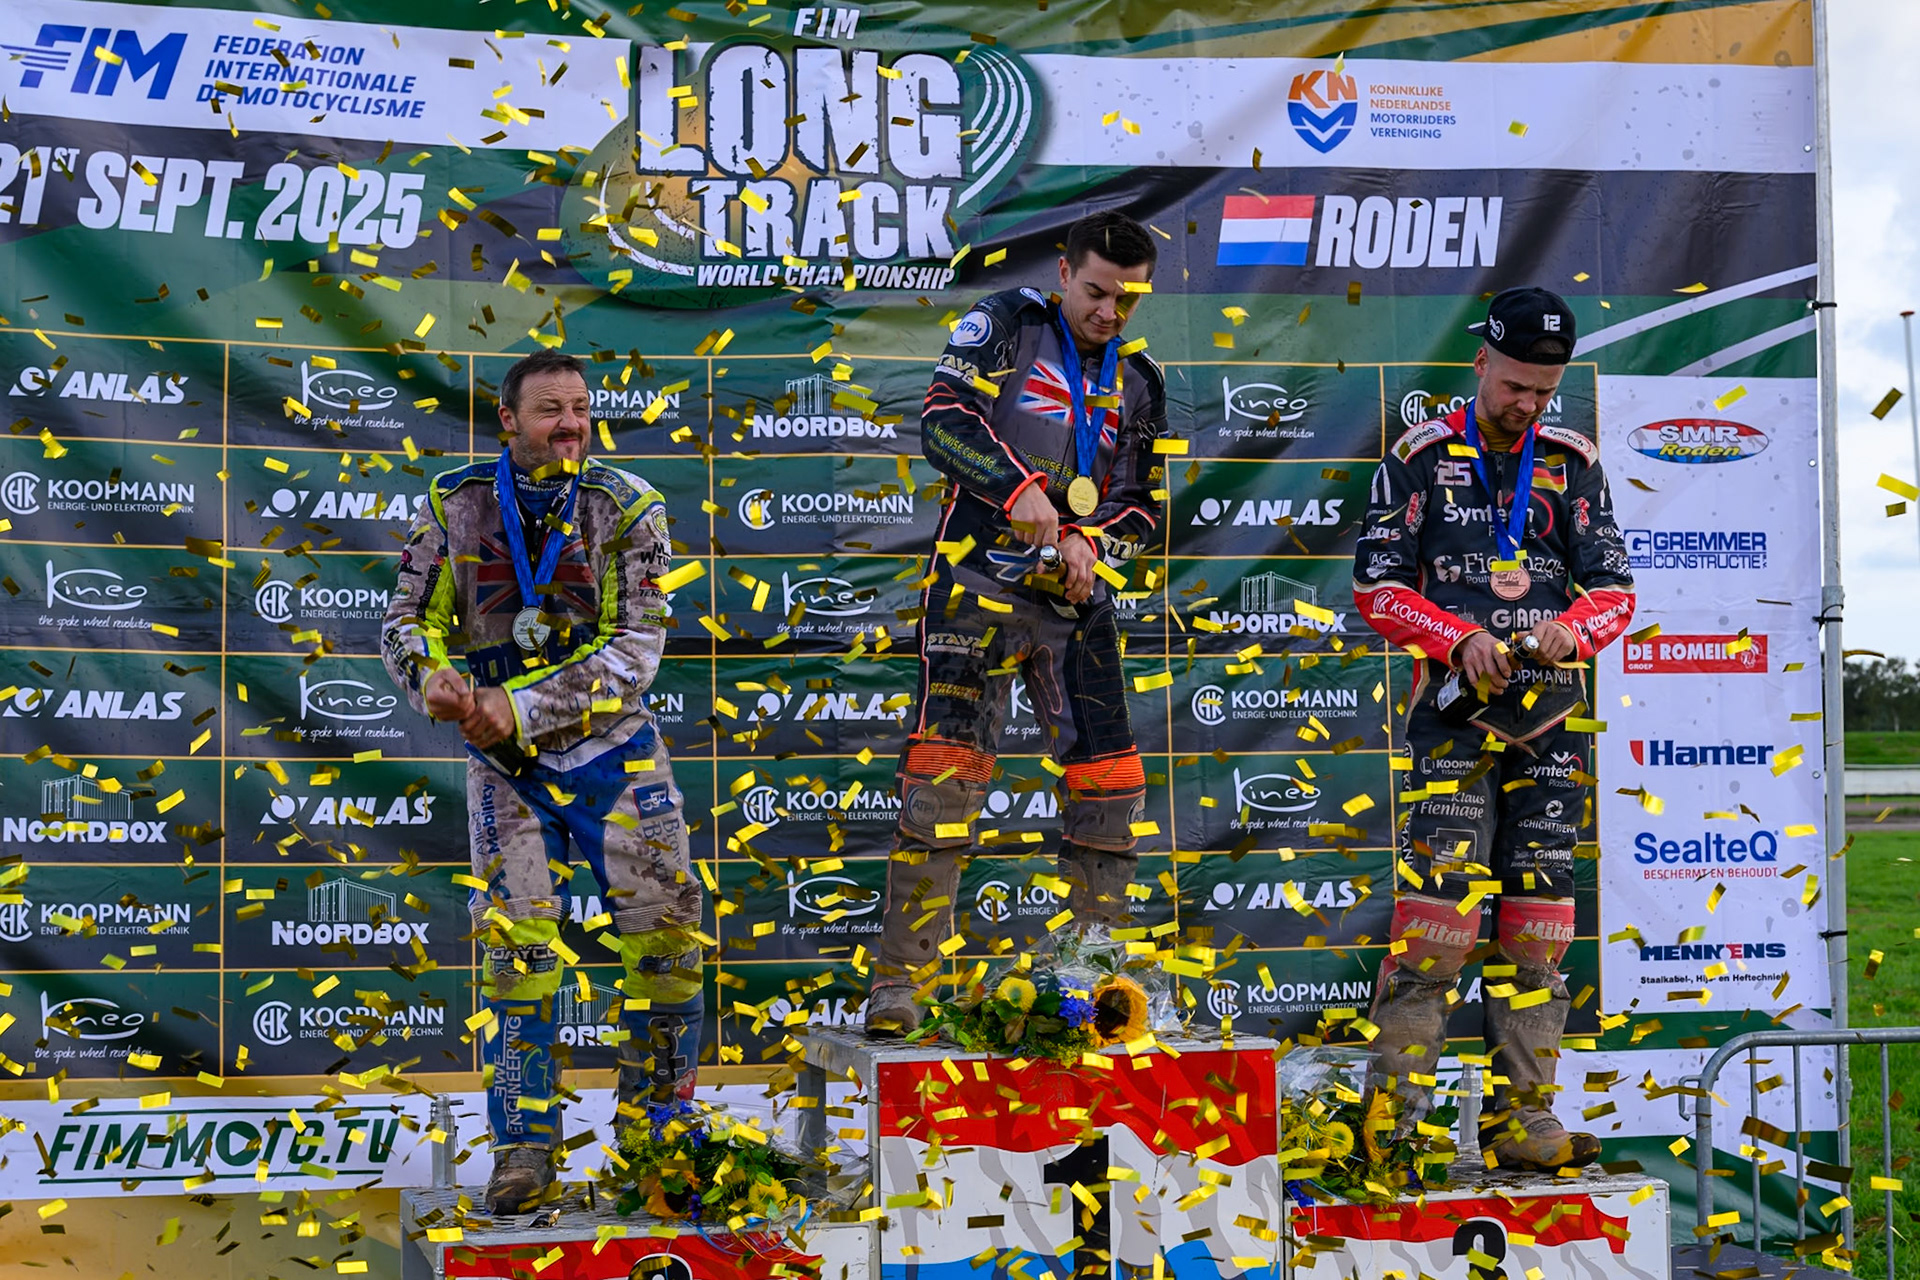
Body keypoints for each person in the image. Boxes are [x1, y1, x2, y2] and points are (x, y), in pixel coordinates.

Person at [380, 349, 703, 1213]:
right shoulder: (455, 506)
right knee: (518, 954)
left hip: (618, 758)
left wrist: (513, 707)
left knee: (669, 948)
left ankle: (659, 1143)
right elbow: (404, 623)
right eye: (550, 410)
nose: (570, 424)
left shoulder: (630, 507)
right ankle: (523, 1153)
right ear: (509, 423)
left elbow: (638, 650)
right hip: (507, 773)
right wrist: (434, 681)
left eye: (581, 410)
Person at [864, 210, 1169, 1037]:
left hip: (1077, 601)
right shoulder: (1006, 323)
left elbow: (1146, 505)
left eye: (1128, 299)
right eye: (1097, 292)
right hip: (974, 584)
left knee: (1110, 786)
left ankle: (1098, 982)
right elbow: (942, 421)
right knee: (945, 778)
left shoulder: (1142, 380)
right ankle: (903, 986)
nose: (1109, 312)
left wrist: (1091, 543)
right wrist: (1015, 489)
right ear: (1065, 272)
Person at [1352, 287, 1636, 1172]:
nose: (1528, 405)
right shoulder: (1418, 456)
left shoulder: (1571, 459)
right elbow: (1376, 589)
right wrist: (1457, 636)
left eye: (1544, 392)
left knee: (1539, 934)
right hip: (1451, 720)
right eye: (1516, 386)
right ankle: (1392, 1125)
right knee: (1437, 928)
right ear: (1481, 363)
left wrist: (1574, 629)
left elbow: (1617, 590)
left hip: (1554, 725)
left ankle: (1523, 1121)